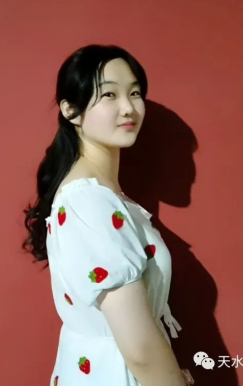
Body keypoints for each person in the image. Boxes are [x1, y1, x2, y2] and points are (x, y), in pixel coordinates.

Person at [23, 44, 194, 386]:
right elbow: (140, 348)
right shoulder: (89, 201)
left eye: (135, 93)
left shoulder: (99, 195)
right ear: (71, 110)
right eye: (109, 95)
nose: (129, 107)